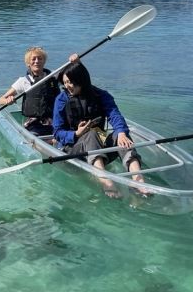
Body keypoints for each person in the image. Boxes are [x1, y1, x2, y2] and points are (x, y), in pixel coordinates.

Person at [52, 61, 147, 198]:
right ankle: (106, 183)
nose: (68, 86)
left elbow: (115, 115)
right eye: (65, 82)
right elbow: (57, 132)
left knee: (122, 137)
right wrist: (76, 133)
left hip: (99, 144)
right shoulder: (61, 100)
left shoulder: (101, 95)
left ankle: (138, 182)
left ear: (82, 80)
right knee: (91, 134)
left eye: (71, 82)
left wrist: (121, 132)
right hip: (73, 149)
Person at [0, 46, 64, 137]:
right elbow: (0, 100)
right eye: (33, 59)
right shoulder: (23, 81)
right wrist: (7, 100)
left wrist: (76, 61)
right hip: (34, 124)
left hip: (55, 120)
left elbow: (75, 76)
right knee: (34, 134)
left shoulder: (54, 76)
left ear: (44, 61)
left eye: (40, 58)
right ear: (28, 63)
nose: (37, 61)